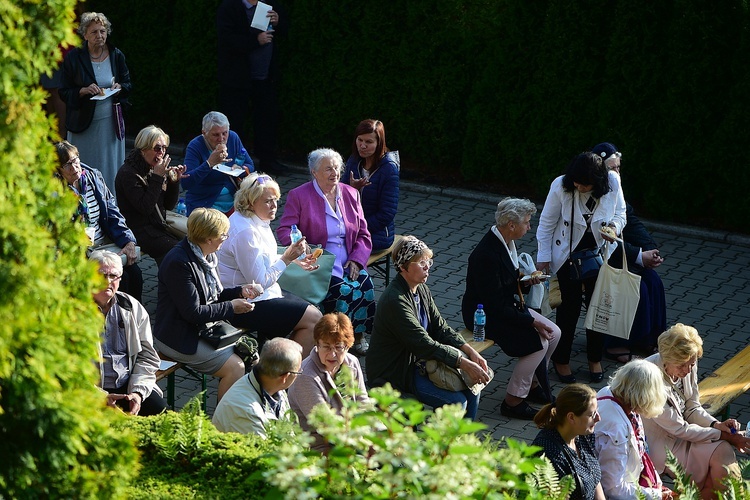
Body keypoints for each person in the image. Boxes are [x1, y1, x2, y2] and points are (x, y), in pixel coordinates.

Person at [366, 236, 491, 420]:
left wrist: (470, 351)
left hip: (418, 362)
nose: (427, 266)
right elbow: (423, 344)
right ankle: (439, 447)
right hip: (397, 372)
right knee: (456, 402)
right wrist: (463, 362)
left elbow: (440, 327)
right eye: (421, 262)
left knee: (473, 391)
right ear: (403, 267)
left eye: (428, 261)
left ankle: (462, 445)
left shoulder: (421, 288)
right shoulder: (395, 301)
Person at [153, 208, 265, 402]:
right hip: (178, 337)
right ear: (208, 238)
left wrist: (240, 291)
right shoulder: (179, 263)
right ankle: (223, 424)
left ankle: (242, 414)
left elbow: (213, 295)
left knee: (251, 356)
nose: (226, 238)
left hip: (204, 330)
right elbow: (193, 312)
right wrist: (231, 307)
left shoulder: (207, 256)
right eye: (223, 235)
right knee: (235, 367)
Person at [463, 198, 560, 419]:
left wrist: (526, 282)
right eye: (526, 222)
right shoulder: (486, 254)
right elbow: (495, 304)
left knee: (554, 334)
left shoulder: (506, 243)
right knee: (537, 343)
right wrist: (531, 321)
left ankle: (533, 384)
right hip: (484, 315)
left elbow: (507, 283)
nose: (529, 227)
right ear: (511, 225)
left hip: (502, 307)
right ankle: (513, 401)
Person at [536, 152, 626, 383]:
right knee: (569, 310)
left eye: (583, 183)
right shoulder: (561, 185)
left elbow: (620, 213)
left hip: (598, 255)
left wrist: (614, 227)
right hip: (568, 255)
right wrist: (544, 257)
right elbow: (546, 223)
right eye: (575, 181)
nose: (578, 186)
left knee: (598, 310)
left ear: (597, 180)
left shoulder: (612, 182)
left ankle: (594, 359)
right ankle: (561, 360)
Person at [277, 148, 375, 355]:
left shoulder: (351, 193)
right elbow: (284, 229)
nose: (335, 173)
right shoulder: (299, 195)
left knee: (366, 283)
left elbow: (364, 234)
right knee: (341, 290)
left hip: (348, 258)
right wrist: (299, 245)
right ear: (314, 172)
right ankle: (334, 339)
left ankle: (357, 335)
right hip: (319, 260)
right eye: (328, 168)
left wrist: (357, 260)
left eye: (337, 168)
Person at [217, 173, 321, 356]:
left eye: (276, 200)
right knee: (313, 319)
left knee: (313, 312)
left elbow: (265, 257)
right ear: (250, 202)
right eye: (268, 202)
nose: (274, 206)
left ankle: (274, 366)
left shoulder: (255, 219)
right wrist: (287, 258)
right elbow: (259, 283)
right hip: (241, 301)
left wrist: (296, 259)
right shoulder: (245, 232)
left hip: (262, 294)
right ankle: (284, 375)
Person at [643, 324, 749, 499]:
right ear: (665, 358)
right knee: (715, 470)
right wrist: (726, 435)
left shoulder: (688, 361)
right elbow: (680, 429)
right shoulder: (650, 379)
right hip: (661, 445)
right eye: (682, 366)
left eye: (691, 364)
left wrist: (717, 424)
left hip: (686, 434)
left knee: (722, 453)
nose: (687, 370)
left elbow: (692, 407)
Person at [591, 142, 667, 361]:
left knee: (653, 281)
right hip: (598, 258)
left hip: (619, 253)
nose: (616, 173)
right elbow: (604, 240)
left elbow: (631, 222)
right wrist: (638, 256)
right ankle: (616, 344)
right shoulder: (592, 195)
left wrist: (650, 249)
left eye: (618, 167)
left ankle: (649, 338)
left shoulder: (617, 191)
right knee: (636, 287)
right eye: (611, 169)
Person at [54, 140, 143, 302]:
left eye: (75, 161)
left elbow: (112, 213)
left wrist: (128, 241)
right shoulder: (56, 192)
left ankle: (131, 318)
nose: (74, 168)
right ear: (58, 170)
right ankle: (109, 320)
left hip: (104, 244)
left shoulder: (93, 177)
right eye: (67, 165)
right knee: (119, 281)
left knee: (135, 274)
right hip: (80, 252)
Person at [60, 12, 131, 195]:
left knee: (109, 167)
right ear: (85, 35)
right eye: (94, 32)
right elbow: (63, 91)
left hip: (110, 123)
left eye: (102, 31)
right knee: (84, 167)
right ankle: (84, 203)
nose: (99, 35)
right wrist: (82, 91)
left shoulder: (116, 55)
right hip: (83, 124)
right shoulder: (74, 58)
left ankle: (111, 205)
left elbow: (128, 83)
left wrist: (119, 87)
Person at [90, 250, 167, 416]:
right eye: (101, 275)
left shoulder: (131, 307)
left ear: (120, 279)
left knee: (158, 408)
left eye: (113, 276)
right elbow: (66, 368)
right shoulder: (73, 311)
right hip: (89, 389)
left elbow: (147, 357)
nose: (108, 281)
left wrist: (137, 393)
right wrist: (100, 397)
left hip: (128, 385)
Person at [216, 0, 288, 174]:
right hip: (238, 79)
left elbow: (285, 33)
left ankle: (268, 160)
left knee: (266, 120)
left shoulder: (269, 6)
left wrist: (279, 22)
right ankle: (231, 162)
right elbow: (227, 40)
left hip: (265, 77)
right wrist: (256, 40)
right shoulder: (230, 7)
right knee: (235, 121)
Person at [288, 313, 370, 453]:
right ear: (317, 345)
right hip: (321, 446)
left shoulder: (352, 363)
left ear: (348, 346)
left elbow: (363, 403)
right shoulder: (306, 376)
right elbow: (326, 426)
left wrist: (381, 433)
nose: (332, 354)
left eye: (338, 347)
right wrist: (366, 444)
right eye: (326, 347)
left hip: (353, 437)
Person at [595, 360, 674, 500]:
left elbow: (641, 452)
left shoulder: (610, 392)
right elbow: (613, 488)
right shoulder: (616, 429)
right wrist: (656, 495)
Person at [115, 125, 186, 265]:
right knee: (177, 252)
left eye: (164, 148)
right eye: (157, 148)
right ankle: (170, 284)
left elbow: (168, 205)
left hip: (157, 225)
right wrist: (158, 178)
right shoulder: (128, 174)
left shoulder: (154, 168)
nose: (161, 152)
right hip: (138, 230)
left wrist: (174, 182)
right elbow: (145, 208)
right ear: (143, 149)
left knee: (193, 244)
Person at [213, 337, 303, 437]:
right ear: (285, 377)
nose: (299, 374)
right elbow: (264, 450)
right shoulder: (245, 411)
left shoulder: (275, 388)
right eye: (298, 372)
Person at [531, 384, 605, 500]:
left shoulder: (583, 435)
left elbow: (595, 478)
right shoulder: (549, 454)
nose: (598, 418)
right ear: (571, 417)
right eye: (592, 414)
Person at [341, 119, 400, 251]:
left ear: (379, 143)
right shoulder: (354, 160)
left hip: (377, 235)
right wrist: (351, 189)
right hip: (351, 230)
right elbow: (337, 197)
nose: (362, 145)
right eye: (360, 140)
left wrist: (359, 228)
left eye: (369, 142)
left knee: (341, 249)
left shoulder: (389, 169)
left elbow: (387, 213)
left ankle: (357, 271)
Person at [183, 111, 255, 215]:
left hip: (235, 202)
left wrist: (241, 168)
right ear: (204, 133)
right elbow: (186, 182)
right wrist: (209, 163)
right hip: (206, 205)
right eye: (215, 135)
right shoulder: (195, 146)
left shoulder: (233, 138)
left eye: (225, 133)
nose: (221, 139)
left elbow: (250, 165)